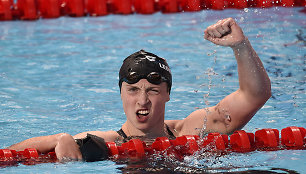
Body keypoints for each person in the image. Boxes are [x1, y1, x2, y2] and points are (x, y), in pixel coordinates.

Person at [7, 18, 271, 161]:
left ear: (168, 93)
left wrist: (241, 46)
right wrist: (54, 141)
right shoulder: (105, 143)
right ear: (121, 93)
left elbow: (254, 95)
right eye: (133, 90)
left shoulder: (192, 128)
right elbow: (9, 155)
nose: (142, 100)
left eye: (153, 90)